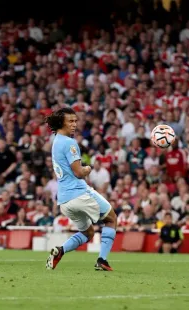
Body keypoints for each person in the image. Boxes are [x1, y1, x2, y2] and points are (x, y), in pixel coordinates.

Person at [45, 108, 117, 271]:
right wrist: (88, 168)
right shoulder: (70, 143)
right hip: (79, 193)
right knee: (111, 219)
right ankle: (102, 260)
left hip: (64, 200)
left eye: (75, 121)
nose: (74, 124)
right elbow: (78, 172)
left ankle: (60, 251)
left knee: (88, 233)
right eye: (70, 121)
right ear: (61, 123)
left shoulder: (56, 140)